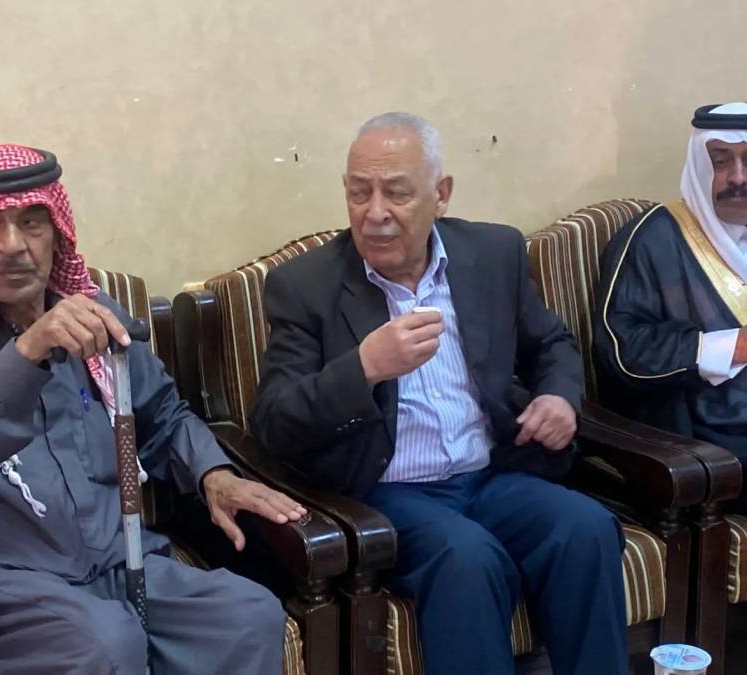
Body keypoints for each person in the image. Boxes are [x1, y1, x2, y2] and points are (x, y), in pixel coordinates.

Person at [0, 144, 304, 675]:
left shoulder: (94, 314)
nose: (12, 245)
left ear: (56, 232)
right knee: (105, 645)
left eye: (32, 223)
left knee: (248, 616)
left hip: (116, 558)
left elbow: (162, 415)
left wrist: (213, 475)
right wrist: (27, 353)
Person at [248, 112, 627, 675]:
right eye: (359, 192)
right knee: (467, 560)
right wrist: (365, 368)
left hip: (492, 473)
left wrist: (559, 398)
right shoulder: (306, 285)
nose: (375, 212)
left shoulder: (493, 254)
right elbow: (273, 421)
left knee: (585, 528)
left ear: (441, 194)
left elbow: (552, 344)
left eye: (396, 193)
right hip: (388, 490)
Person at [594, 102, 747, 510]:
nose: (738, 178)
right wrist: (731, 346)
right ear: (699, 166)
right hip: (708, 432)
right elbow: (623, 351)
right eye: (721, 161)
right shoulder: (653, 239)